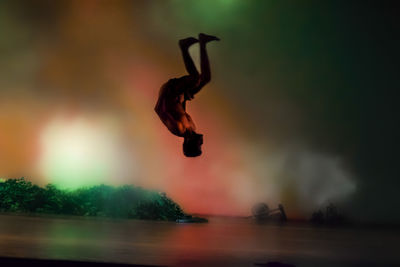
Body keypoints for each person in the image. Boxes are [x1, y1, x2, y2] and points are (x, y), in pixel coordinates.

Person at [155, 33, 220, 157]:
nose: (201, 143)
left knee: (195, 78)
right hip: (178, 96)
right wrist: (185, 97)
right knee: (205, 79)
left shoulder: (178, 128)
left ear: (190, 143)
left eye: (199, 145)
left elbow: (159, 110)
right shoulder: (192, 127)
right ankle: (203, 43)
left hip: (170, 92)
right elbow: (182, 111)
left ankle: (184, 47)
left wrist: (172, 94)